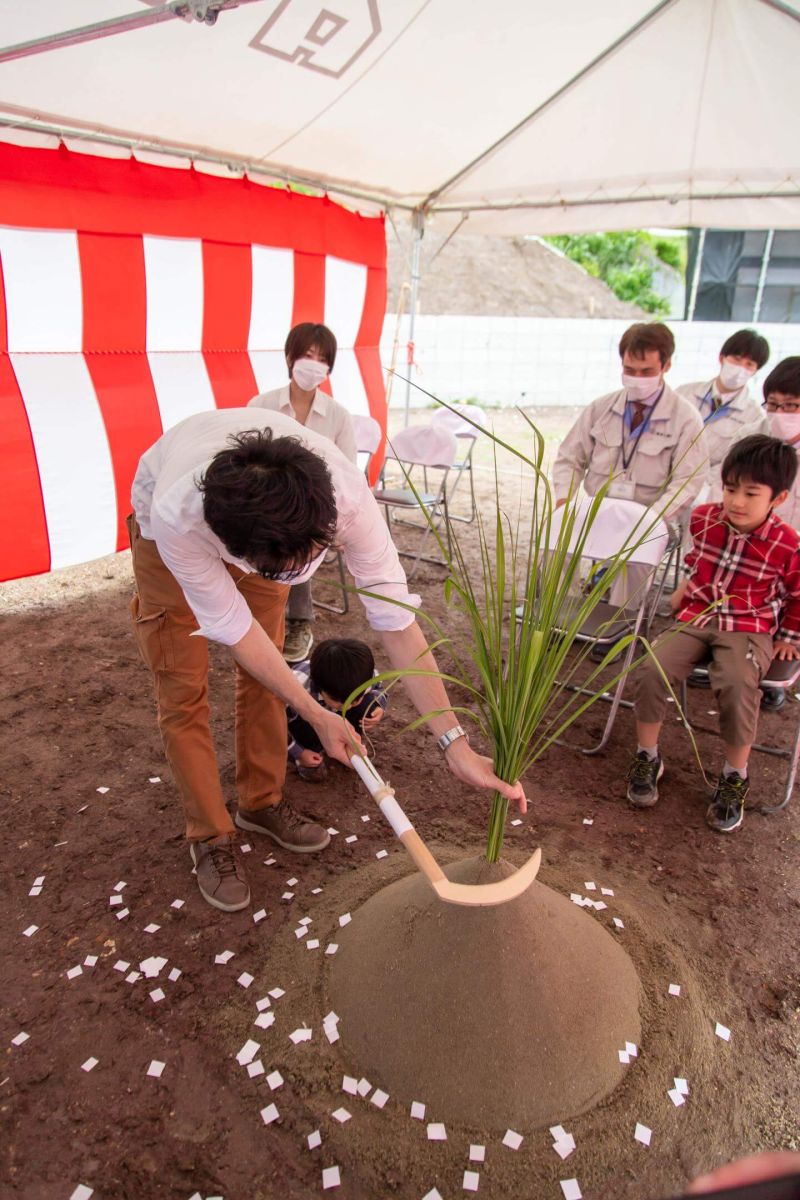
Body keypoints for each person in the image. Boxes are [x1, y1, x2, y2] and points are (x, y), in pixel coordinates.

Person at [129, 408, 525, 913]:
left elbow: (396, 621)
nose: (292, 575)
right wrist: (316, 713)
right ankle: (210, 835)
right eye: (276, 570)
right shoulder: (178, 518)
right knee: (183, 687)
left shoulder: (347, 500)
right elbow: (234, 632)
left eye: (309, 559)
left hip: (267, 530)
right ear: (241, 551)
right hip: (169, 539)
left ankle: (261, 802)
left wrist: (456, 745)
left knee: (266, 678)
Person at [625, 435, 800, 833]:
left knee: (738, 686)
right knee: (651, 669)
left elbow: (797, 593)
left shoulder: (787, 543)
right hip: (696, 616)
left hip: (748, 625)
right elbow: (696, 559)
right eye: (730, 488)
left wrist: (789, 635)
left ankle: (734, 775)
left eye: (750, 493)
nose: (736, 501)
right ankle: (647, 756)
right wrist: (687, 586)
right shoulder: (704, 518)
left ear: (778, 498)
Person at [551, 322, 708, 625]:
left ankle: (617, 627)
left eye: (646, 371)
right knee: (557, 539)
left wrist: (654, 517)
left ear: (666, 365)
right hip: (597, 510)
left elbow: (689, 479)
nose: (636, 379)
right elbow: (569, 458)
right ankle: (561, 616)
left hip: (648, 515)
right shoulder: (601, 408)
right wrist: (565, 500)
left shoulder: (686, 418)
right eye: (629, 370)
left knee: (636, 556)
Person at [248, 322, 357, 664]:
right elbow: (244, 463)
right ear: (290, 357)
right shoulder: (261, 405)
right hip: (266, 501)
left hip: (315, 509)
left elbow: (349, 476)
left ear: (329, 367)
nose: (313, 364)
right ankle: (264, 614)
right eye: (307, 355)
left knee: (295, 530)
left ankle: (296, 621)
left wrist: (339, 522)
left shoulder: (338, 416)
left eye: (322, 358)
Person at [676, 327, 770, 489]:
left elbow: (735, 462)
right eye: (736, 359)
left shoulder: (754, 417)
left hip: (704, 489)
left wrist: (700, 484)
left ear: (755, 371)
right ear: (722, 358)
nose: (741, 368)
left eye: (749, 364)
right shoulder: (684, 393)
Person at [286, 638, 387, 782]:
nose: (349, 706)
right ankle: (311, 750)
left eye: (355, 699)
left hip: (330, 713)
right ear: (319, 686)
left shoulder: (364, 676)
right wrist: (298, 752)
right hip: (303, 724)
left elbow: (379, 689)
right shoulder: (297, 685)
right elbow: (272, 725)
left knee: (369, 704)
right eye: (340, 702)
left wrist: (379, 706)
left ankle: (346, 742)